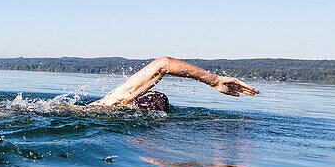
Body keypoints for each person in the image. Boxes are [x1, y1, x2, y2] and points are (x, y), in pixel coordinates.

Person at [91, 56, 259, 111]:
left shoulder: (110, 102)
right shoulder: (115, 104)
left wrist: (215, 80)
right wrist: (216, 81)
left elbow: (164, 63)